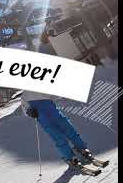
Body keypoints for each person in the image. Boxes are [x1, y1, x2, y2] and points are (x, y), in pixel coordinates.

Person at [20, 31, 94, 168]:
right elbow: (24, 107)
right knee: (58, 137)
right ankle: (69, 157)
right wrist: (30, 112)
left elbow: (55, 93)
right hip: (43, 118)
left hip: (53, 112)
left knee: (69, 130)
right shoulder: (26, 92)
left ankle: (82, 148)